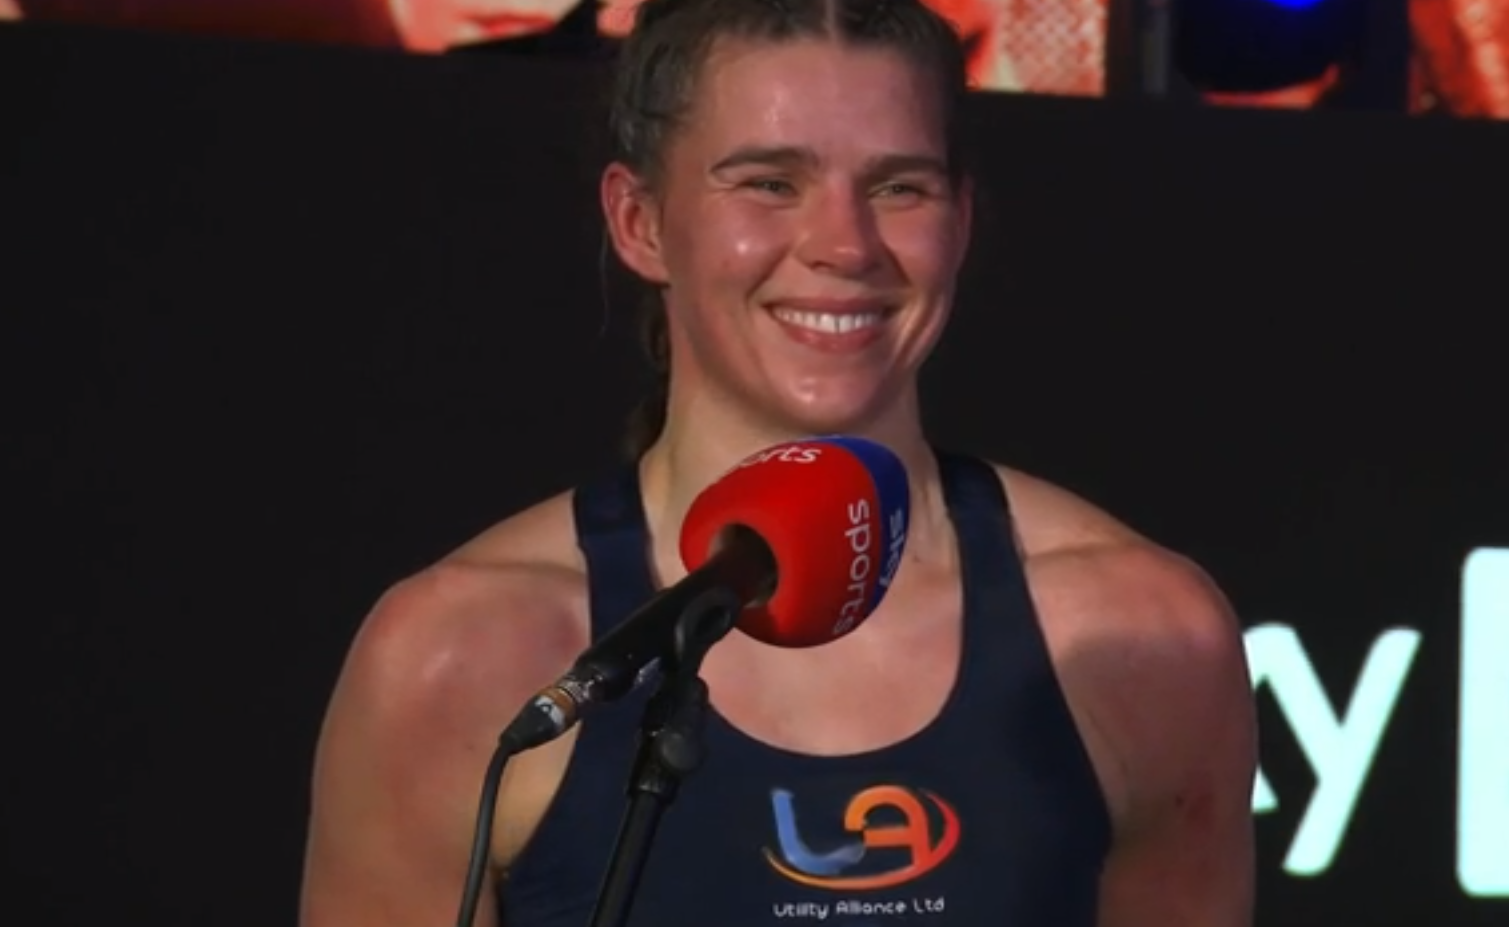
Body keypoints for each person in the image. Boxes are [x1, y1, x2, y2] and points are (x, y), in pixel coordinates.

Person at [299, 1, 1258, 925]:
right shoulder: (459, 654)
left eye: (898, 187)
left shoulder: (1142, 635)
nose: (844, 245)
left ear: (960, 222)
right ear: (638, 220)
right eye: (768, 182)